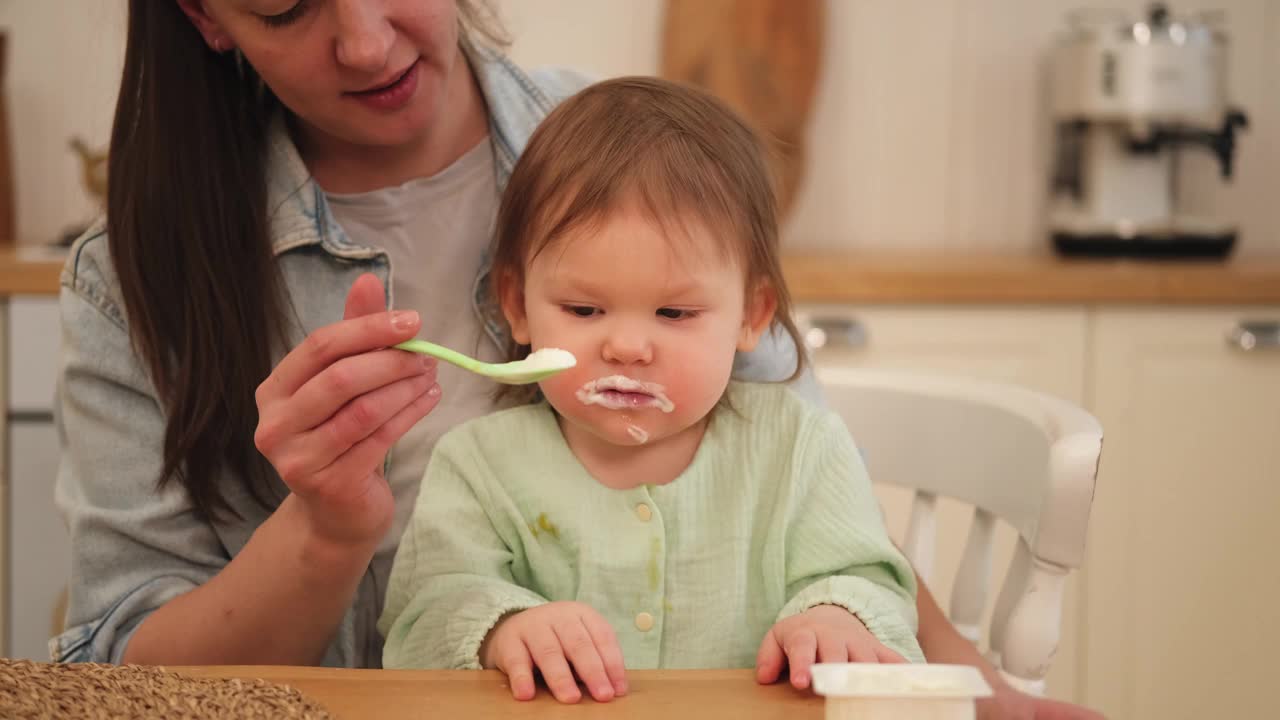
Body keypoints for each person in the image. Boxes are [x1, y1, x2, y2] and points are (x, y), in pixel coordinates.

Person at [52, 2, 1103, 718]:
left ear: (749, 313)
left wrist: (978, 692)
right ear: (203, 16)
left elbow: (828, 529)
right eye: (285, 6)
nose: (366, 45)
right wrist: (323, 531)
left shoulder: (649, 158)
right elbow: (119, 681)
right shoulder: (138, 278)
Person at [377, 76, 922, 703]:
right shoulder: (477, 466)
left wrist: (839, 618)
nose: (628, 347)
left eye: (674, 314)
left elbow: (870, 580)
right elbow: (424, 618)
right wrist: (502, 629)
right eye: (584, 310)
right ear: (517, 307)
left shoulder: (800, 446)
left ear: (752, 314)